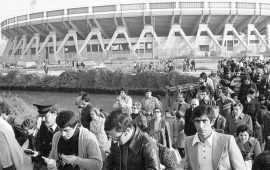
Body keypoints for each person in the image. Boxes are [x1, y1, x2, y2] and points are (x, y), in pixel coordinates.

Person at [184, 105, 246, 170]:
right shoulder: (188, 141)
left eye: (204, 121)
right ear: (194, 122)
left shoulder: (227, 140)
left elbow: (240, 167)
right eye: (197, 121)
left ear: (212, 122)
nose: (200, 125)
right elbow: (188, 167)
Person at [29, 103, 59, 170]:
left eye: (45, 117)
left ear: (54, 114)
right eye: (41, 117)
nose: (43, 120)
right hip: (39, 162)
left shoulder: (62, 130)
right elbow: (41, 144)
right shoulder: (43, 125)